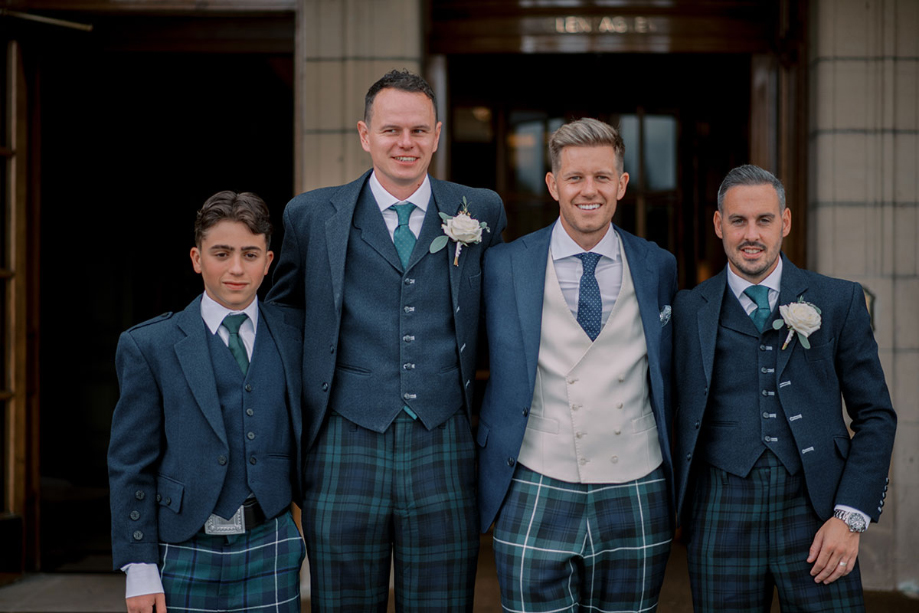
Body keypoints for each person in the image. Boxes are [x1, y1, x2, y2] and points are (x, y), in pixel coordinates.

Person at [267, 69, 507, 611]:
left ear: (437, 135)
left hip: (445, 440)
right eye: (391, 130)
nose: (406, 143)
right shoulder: (310, 215)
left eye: (419, 130)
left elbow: (502, 314)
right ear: (365, 134)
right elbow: (283, 319)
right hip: (342, 442)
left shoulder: (481, 210)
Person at [673, 164, 897, 611]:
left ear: (786, 221)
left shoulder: (839, 300)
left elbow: (876, 415)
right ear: (718, 224)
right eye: (738, 220)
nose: (751, 234)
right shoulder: (685, 309)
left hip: (817, 512)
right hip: (719, 512)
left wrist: (850, 517)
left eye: (764, 220)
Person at [477, 118, 677, 612]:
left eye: (602, 177)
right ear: (553, 185)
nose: (589, 190)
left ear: (621, 184)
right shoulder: (503, 266)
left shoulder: (659, 265)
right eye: (575, 178)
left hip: (637, 480)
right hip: (534, 476)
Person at [107, 191, 305, 613]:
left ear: (268, 262)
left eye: (250, 254)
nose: (236, 268)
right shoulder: (150, 345)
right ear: (197, 259)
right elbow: (130, 463)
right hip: (181, 549)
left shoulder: (296, 335)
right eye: (222, 253)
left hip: (271, 543)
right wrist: (139, 567)